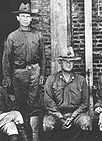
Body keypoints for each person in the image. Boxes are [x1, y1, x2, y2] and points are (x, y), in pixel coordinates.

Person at [2, 2, 46, 141]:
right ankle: (23, 136)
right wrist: (7, 77)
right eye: (23, 16)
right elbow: (6, 59)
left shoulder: (38, 35)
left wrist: (42, 74)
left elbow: (43, 56)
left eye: (28, 16)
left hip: (35, 71)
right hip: (19, 73)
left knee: (35, 104)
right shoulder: (12, 37)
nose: (26, 19)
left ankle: (35, 136)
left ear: (31, 18)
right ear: (18, 18)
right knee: (20, 104)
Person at [43, 47, 92, 141]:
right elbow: (48, 101)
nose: (69, 64)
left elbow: (85, 103)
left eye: (71, 61)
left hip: (76, 114)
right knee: (48, 124)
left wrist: (73, 116)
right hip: (57, 114)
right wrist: (60, 117)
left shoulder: (81, 80)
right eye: (66, 61)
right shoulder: (51, 79)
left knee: (85, 122)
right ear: (61, 62)